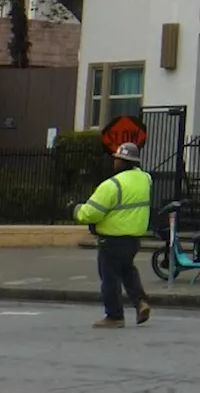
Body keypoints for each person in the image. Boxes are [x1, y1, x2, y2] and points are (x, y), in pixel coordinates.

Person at [73, 140, 153, 329]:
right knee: (128, 270)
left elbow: (91, 213)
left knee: (109, 278)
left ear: (124, 162)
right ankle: (141, 301)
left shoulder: (112, 185)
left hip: (112, 239)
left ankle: (114, 316)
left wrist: (76, 210)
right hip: (133, 238)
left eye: (117, 159)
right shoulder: (146, 179)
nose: (114, 162)